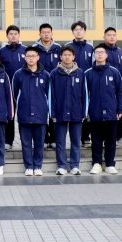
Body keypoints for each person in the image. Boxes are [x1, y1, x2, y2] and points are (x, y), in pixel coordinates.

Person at [85, 44, 122, 175]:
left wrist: (120, 109)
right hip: (94, 112)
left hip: (111, 112)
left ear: (106, 55)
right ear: (94, 55)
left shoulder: (114, 72)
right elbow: (84, 94)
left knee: (111, 140)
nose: (99, 54)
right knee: (96, 140)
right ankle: (96, 163)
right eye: (97, 52)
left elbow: (120, 92)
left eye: (102, 52)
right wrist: (86, 111)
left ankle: (110, 164)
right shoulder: (88, 73)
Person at [13, 46, 50, 176]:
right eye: (28, 56)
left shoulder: (45, 75)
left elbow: (49, 95)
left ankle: (38, 166)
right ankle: (29, 166)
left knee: (39, 142)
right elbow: (14, 94)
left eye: (33, 56)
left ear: (38, 57)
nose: (31, 58)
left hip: (40, 114)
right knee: (26, 142)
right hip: (24, 114)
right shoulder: (18, 74)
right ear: (25, 57)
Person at [50, 46, 86, 176]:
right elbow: (51, 94)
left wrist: (84, 112)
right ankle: (62, 166)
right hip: (60, 112)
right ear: (60, 57)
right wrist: (52, 113)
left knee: (76, 140)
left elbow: (85, 94)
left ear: (73, 57)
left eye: (69, 55)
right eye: (64, 55)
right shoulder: (54, 73)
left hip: (76, 112)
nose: (67, 57)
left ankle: (75, 165)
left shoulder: (80, 73)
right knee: (60, 141)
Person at [65, 21, 94, 149]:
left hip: (87, 82)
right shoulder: (68, 46)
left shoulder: (90, 48)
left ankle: (85, 137)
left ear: (84, 31)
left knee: (86, 108)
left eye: (81, 29)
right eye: (76, 30)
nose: (78, 31)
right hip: (71, 82)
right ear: (72, 32)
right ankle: (73, 138)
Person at [32, 23, 61, 150]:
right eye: (43, 32)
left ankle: (53, 138)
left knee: (54, 110)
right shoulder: (35, 48)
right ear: (40, 34)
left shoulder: (58, 48)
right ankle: (43, 138)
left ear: (52, 33)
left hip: (55, 83)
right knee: (41, 110)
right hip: (39, 83)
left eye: (48, 32)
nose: (46, 34)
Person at [0, 25, 27, 150]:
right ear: (7, 36)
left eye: (15, 34)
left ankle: (25, 141)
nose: (13, 36)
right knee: (9, 115)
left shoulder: (25, 50)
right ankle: (8, 141)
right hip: (7, 89)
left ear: (19, 35)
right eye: (11, 34)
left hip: (24, 89)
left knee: (24, 115)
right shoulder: (1, 51)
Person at [103, 27, 122, 148]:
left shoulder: (120, 51)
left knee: (120, 111)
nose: (111, 37)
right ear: (104, 37)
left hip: (119, 86)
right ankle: (106, 138)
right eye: (109, 35)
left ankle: (121, 137)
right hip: (105, 86)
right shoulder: (101, 51)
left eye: (114, 35)